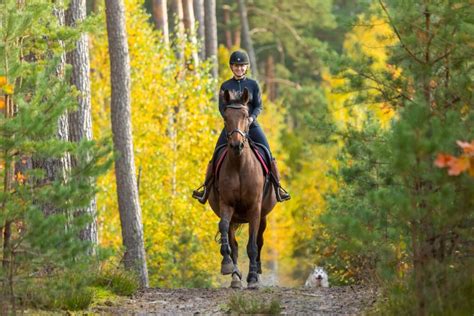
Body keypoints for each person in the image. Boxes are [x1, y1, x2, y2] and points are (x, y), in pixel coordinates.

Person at [192, 50, 290, 204]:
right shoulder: (225, 86)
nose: (239, 68)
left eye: (242, 66)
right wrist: (231, 121)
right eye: (236, 66)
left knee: (268, 152)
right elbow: (221, 107)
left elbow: (259, 106)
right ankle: (205, 189)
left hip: (251, 125)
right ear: (232, 67)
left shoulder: (253, 85)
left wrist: (251, 118)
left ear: (247, 67)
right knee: (215, 155)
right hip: (232, 128)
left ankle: (278, 188)